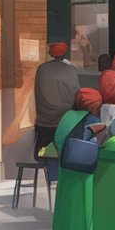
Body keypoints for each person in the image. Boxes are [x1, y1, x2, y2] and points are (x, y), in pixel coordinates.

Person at [34, 42, 80, 179]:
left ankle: (49, 176)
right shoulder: (71, 70)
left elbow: (37, 93)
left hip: (45, 121)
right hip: (65, 120)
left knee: (45, 152)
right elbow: (76, 94)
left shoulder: (42, 69)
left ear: (50, 53)